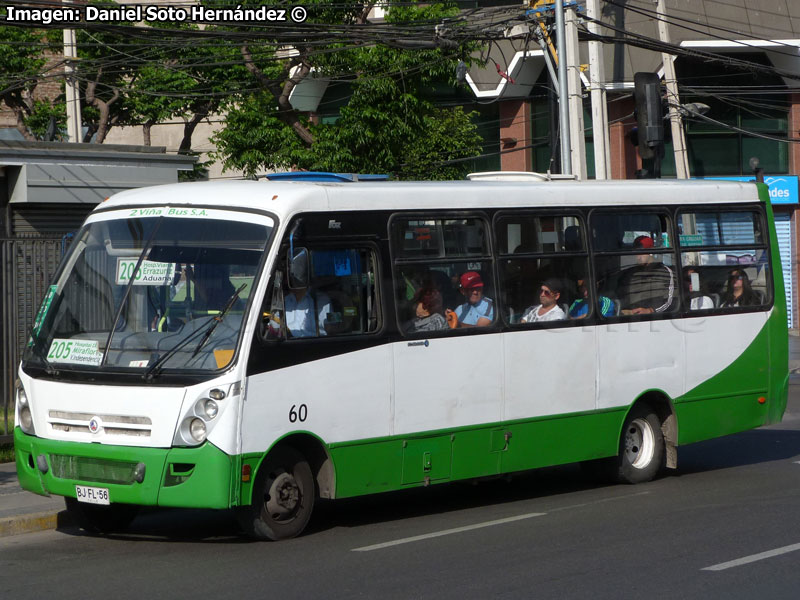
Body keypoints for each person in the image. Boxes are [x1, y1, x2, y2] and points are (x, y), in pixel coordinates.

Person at [618, 235, 675, 315]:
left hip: (656, 319)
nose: (638, 257)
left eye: (641, 253)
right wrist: (622, 309)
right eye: (636, 254)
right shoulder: (630, 274)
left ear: (650, 251)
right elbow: (621, 295)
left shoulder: (665, 272)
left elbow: (670, 301)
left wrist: (650, 310)